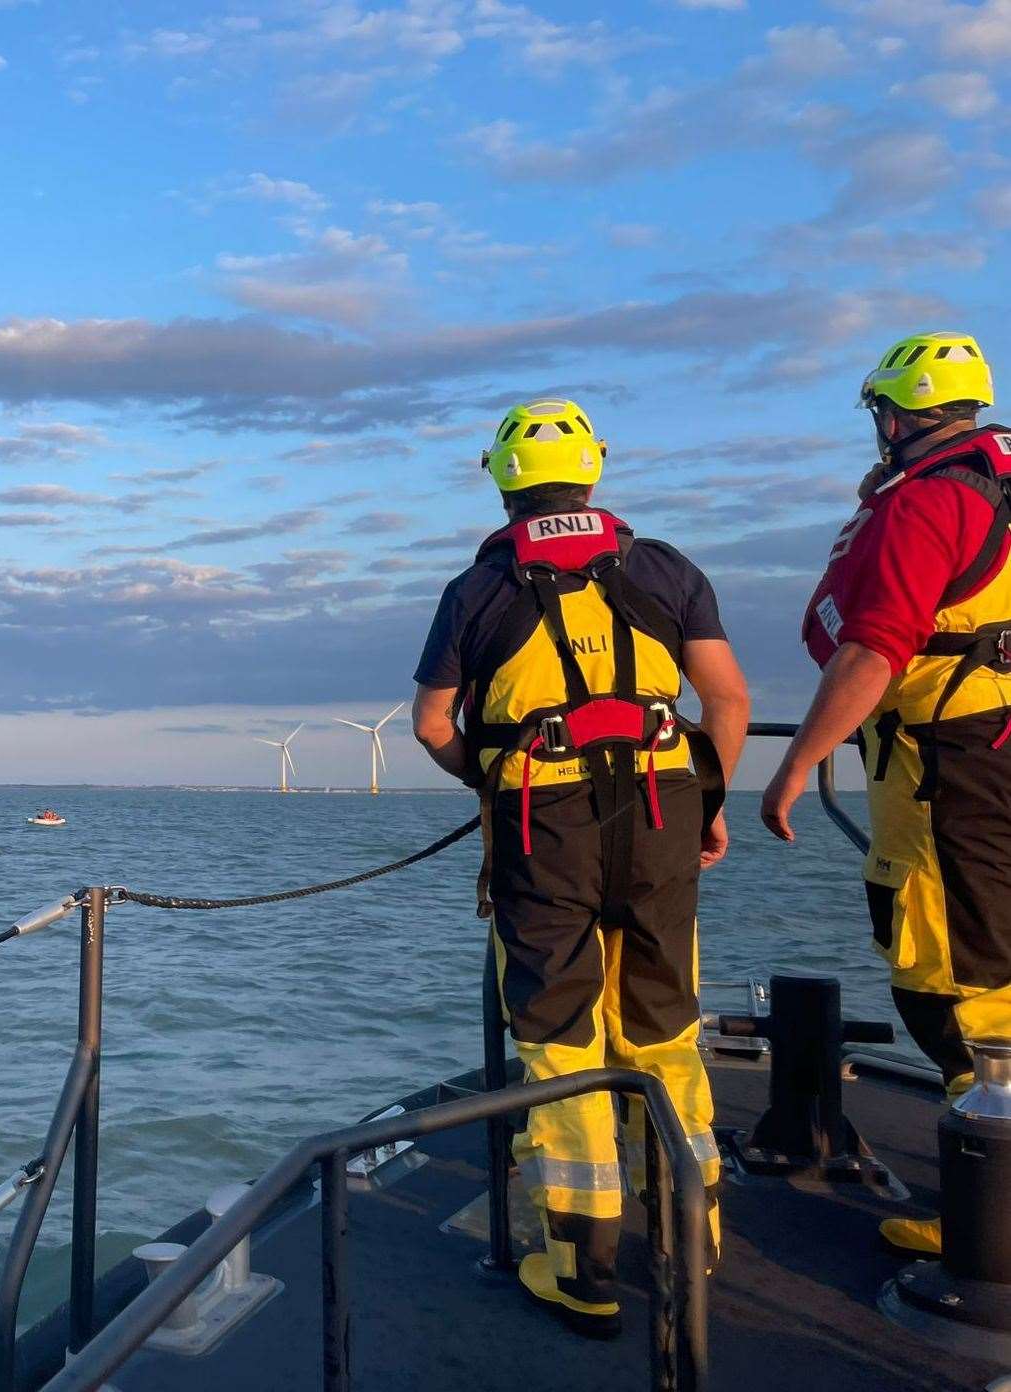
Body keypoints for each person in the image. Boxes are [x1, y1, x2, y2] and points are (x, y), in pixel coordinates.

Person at [413, 399, 750, 1334]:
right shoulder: (663, 567)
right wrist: (706, 803)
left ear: (502, 481)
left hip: (539, 822)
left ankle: (582, 1273)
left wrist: (494, 778)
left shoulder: (476, 590)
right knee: (664, 1026)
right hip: (660, 811)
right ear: (593, 472)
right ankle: (691, 1240)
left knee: (559, 1036)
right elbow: (724, 695)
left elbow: (433, 724)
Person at [761, 332, 1010, 1256]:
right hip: (991, 746)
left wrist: (793, 766)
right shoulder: (996, 489)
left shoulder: (928, 504)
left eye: (881, 412)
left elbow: (874, 647)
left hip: (950, 768)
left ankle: (990, 1233)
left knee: (956, 989)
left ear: (901, 413)